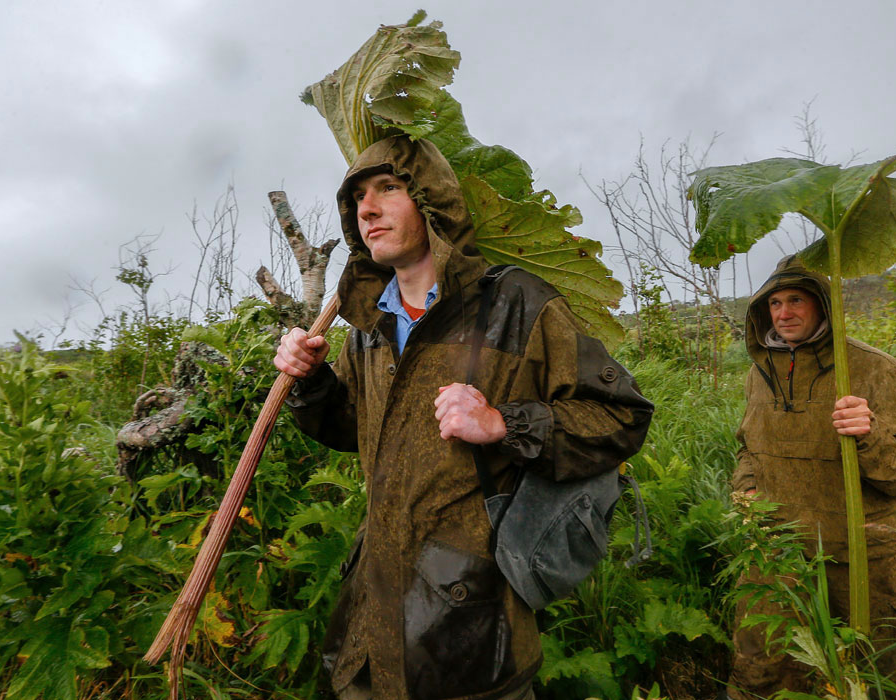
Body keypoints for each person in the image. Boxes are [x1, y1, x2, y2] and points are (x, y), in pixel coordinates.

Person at [274, 135, 654, 700]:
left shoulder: (517, 304)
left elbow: (621, 417)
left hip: (473, 636)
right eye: (357, 198)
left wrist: (505, 424)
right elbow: (353, 430)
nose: (367, 209)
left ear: (432, 203)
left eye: (388, 189)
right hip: (369, 630)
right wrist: (310, 384)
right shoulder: (367, 330)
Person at [728, 255, 896, 699]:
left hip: (860, 555)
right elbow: (747, 446)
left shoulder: (877, 369)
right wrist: (746, 491)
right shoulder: (759, 374)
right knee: (761, 669)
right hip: (778, 552)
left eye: (796, 299)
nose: (784, 313)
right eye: (774, 303)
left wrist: (869, 434)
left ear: (822, 304)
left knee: (884, 675)